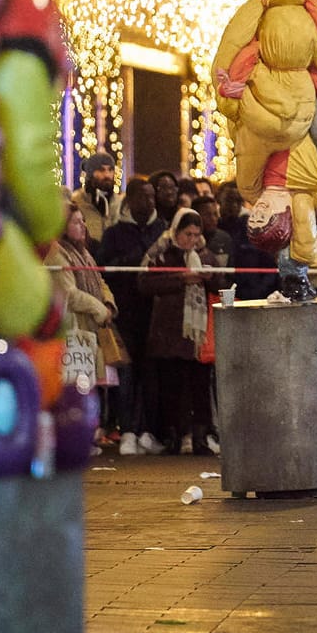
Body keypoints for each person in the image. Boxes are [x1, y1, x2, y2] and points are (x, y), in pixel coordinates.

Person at [138, 209, 220, 456]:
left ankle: (199, 437)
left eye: (196, 234)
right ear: (176, 231)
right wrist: (180, 279)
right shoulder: (161, 253)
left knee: (199, 386)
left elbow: (222, 283)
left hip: (197, 334)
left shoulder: (206, 255)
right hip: (169, 331)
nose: (192, 240)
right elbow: (144, 283)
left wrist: (208, 277)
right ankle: (173, 435)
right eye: (187, 234)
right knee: (171, 387)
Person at [98, 178, 163, 456]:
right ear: (130, 200)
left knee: (151, 375)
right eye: (143, 197)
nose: (149, 202)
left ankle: (147, 430)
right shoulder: (115, 234)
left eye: (152, 197)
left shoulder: (162, 229)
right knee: (126, 375)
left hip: (155, 313)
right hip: (126, 312)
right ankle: (126, 431)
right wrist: (141, 255)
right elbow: (106, 268)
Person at [46, 204, 118, 437]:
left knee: (89, 384)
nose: (83, 226)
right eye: (76, 222)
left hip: (90, 329)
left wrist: (108, 303)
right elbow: (70, 293)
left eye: (83, 221)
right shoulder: (57, 254)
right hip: (73, 328)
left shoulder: (84, 253)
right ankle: (74, 435)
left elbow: (100, 281)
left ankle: (88, 433)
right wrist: (98, 308)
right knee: (75, 385)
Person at [72, 151, 117, 244]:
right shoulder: (76, 202)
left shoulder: (120, 203)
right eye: (101, 170)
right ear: (90, 174)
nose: (107, 175)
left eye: (110, 170)